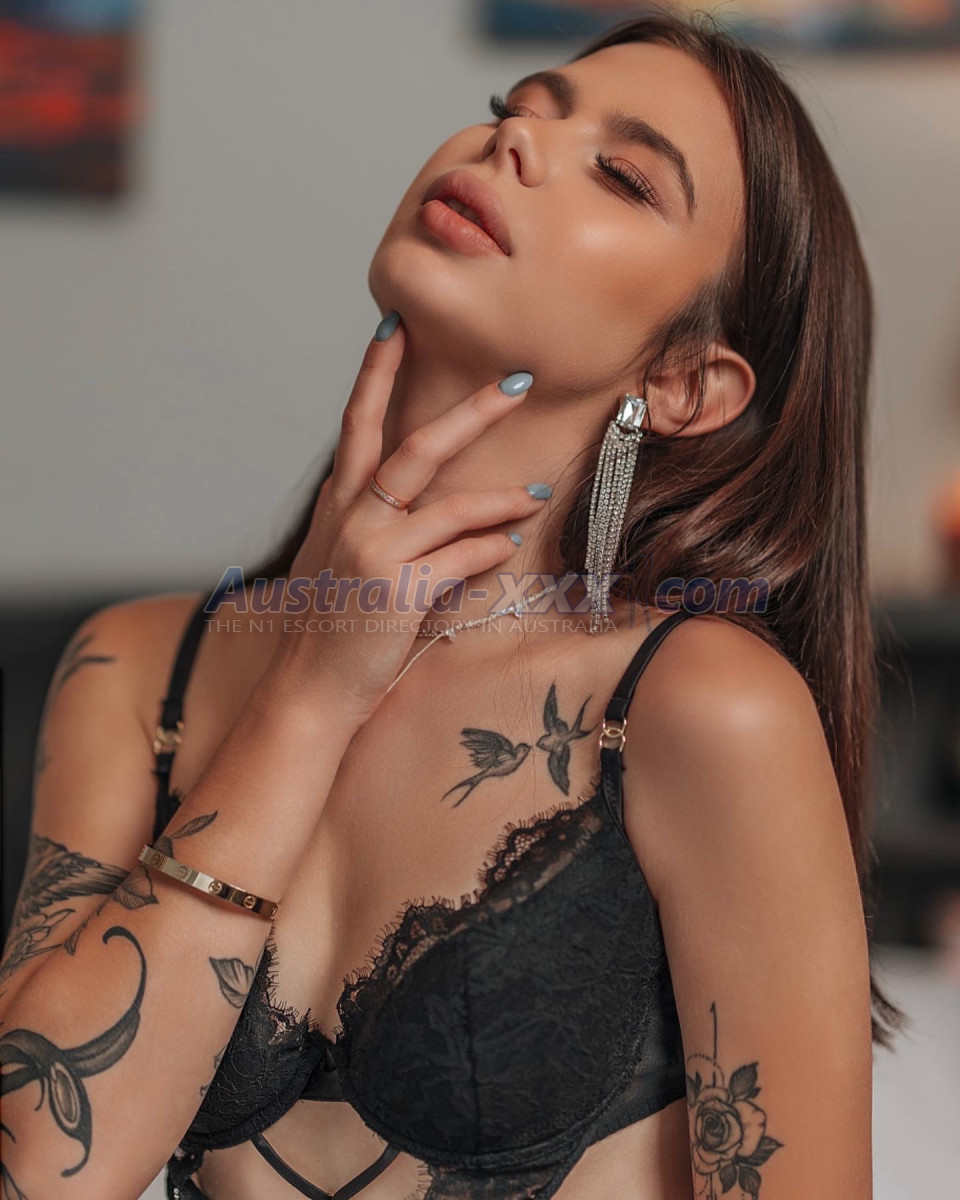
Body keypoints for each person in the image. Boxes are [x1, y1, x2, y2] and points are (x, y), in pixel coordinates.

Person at [0, 11, 908, 1200]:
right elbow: (39, 1174)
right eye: (511, 111)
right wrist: (309, 695)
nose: (512, 145)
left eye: (621, 175)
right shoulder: (133, 668)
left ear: (687, 381)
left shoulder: (702, 708)